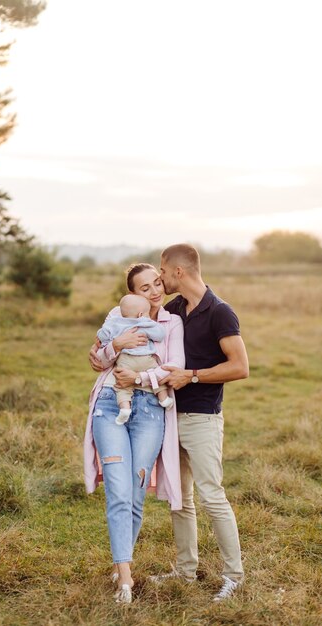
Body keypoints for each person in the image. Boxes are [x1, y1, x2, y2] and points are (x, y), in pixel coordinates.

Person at [148, 243, 249, 602]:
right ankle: (185, 571)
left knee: (212, 497)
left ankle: (234, 576)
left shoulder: (220, 312)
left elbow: (239, 367)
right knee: (180, 498)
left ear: (179, 272)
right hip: (169, 417)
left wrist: (190, 376)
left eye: (162, 269)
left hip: (203, 418)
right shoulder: (174, 309)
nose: (159, 277)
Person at [84, 263, 185, 603]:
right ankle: (124, 574)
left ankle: (121, 559)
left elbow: (175, 368)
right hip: (111, 406)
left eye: (157, 283)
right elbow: (96, 359)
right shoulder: (118, 315)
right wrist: (118, 345)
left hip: (150, 412)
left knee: (137, 490)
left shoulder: (172, 323)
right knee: (118, 490)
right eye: (144, 288)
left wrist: (140, 379)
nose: (155, 291)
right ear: (131, 294)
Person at [97, 293, 174, 425]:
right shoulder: (145, 322)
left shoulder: (115, 322)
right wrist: (151, 325)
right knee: (156, 375)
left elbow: (102, 335)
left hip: (125, 360)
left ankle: (125, 408)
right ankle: (163, 398)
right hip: (146, 359)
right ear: (140, 314)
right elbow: (160, 335)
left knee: (121, 385)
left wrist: (108, 339)